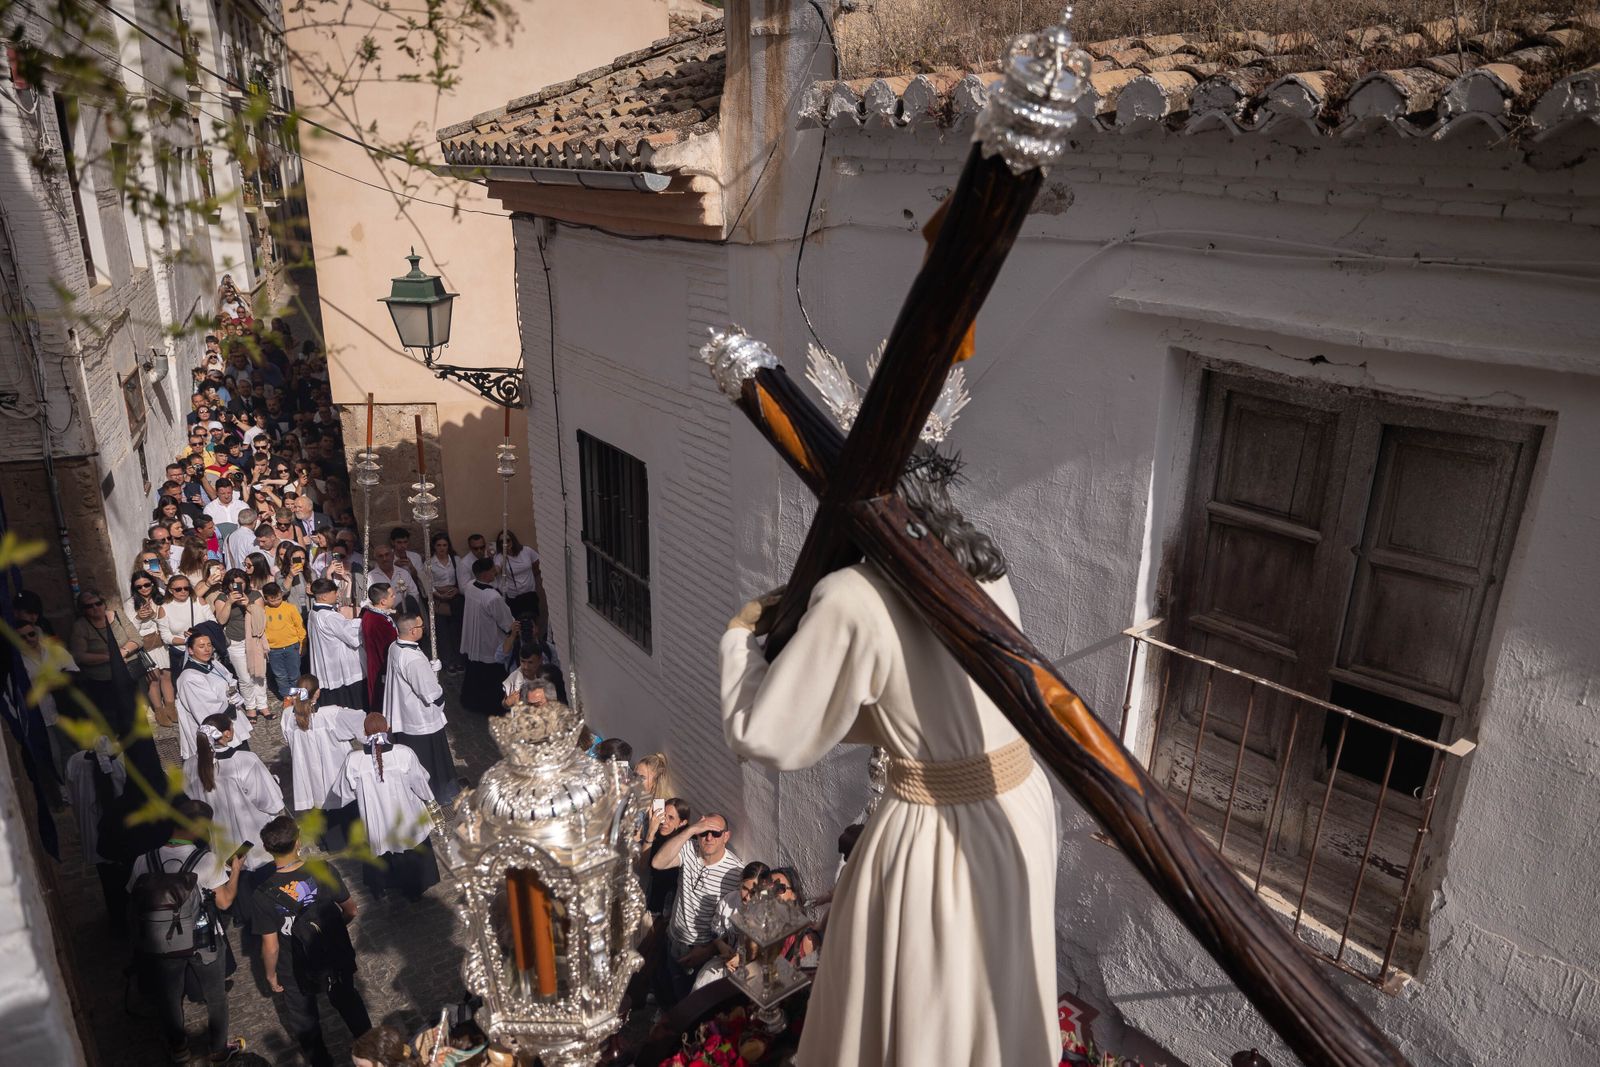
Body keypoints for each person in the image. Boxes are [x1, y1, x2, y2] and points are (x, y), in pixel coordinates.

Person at [717, 471, 1059, 1067]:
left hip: (939, 839)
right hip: (1021, 806)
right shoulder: (986, 567)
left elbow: (766, 735)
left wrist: (740, 639)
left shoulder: (855, 597)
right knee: (994, 996)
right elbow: (919, 700)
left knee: (930, 1012)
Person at [126, 796, 248, 1065]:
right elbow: (225, 901)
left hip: (161, 942)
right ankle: (217, 1048)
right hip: (203, 939)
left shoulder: (143, 861)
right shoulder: (206, 861)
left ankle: (179, 1049)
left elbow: (133, 899)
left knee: (169, 998)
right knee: (215, 995)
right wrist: (235, 871)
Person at [248, 815, 370, 1067]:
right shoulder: (323, 869)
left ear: (267, 849)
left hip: (293, 965)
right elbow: (351, 909)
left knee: (305, 1021)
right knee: (349, 1000)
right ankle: (371, 1052)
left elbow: (270, 945)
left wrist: (270, 975)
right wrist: (336, 929)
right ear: (298, 842)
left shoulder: (262, 895)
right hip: (333, 953)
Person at [333, 713, 438, 900]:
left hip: (376, 820)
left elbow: (343, 792)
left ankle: (381, 888)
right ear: (387, 728)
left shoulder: (354, 761)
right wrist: (428, 799)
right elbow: (421, 781)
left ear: (364, 732)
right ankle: (413, 890)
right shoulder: (403, 754)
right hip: (405, 816)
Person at [649, 812, 743, 1007]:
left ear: (726, 836)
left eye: (716, 833)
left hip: (701, 951)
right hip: (674, 939)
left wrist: (707, 951)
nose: (709, 838)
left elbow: (732, 923)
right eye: (704, 832)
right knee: (672, 993)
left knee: (691, 1005)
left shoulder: (734, 873)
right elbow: (658, 863)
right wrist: (691, 830)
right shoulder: (690, 849)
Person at [183, 714, 283, 872]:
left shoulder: (189, 765)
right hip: (250, 839)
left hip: (218, 841)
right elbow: (269, 802)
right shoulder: (245, 761)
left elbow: (189, 802)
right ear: (227, 733)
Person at [382, 613, 455, 804]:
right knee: (430, 762)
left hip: (405, 715)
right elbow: (429, 693)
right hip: (420, 720)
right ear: (413, 631)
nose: (424, 629)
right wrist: (433, 678)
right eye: (422, 626)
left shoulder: (394, 646)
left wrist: (429, 670)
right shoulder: (413, 659)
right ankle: (434, 795)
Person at [64, 737, 129, 932]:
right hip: (123, 834)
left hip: (95, 834)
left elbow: (71, 793)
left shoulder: (75, 762)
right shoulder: (122, 761)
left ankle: (117, 921)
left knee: (109, 884)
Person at [280, 675, 365, 824]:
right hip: (335, 772)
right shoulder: (331, 714)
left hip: (308, 773)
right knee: (344, 814)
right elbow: (361, 723)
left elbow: (288, 740)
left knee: (319, 810)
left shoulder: (288, 716)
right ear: (318, 692)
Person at [691, 861, 772, 992]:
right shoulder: (729, 901)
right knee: (701, 987)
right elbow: (716, 931)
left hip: (753, 972)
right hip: (724, 964)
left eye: (754, 892)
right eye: (744, 888)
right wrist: (722, 946)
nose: (747, 897)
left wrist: (741, 959)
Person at [174, 633, 254, 762]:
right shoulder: (189, 678)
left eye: (209, 645)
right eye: (201, 646)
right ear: (190, 650)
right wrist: (231, 705)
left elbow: (229, 680)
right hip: (218, 733)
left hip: (232, 725)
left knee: (244, 762)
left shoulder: (214, 664)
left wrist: (234, 693)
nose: (207, 649)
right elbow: (205, 709)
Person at [209, 568, 271, 723]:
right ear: (228, 585)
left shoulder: (255, 595)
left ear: (246, 583)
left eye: (240, 583)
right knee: (244, 678)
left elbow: (261, 618)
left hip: (255, 640)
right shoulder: (222, 598)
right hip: (235, 642)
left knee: (259, 673)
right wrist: (230, 602)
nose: (237, 586)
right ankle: (250, 706)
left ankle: (263, 705)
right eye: (233, 583)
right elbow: (221, 620)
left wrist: (248, 605)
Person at [461, 558, 513, 717]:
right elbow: (506, 621)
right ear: (485, 574)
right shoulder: (492, 597)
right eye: (492, 570)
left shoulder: (470, 586)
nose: (495, 572)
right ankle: (494, 707)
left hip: (474, 637)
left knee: (475, 672)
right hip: (489, 640)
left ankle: (471, 701)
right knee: (493, 676)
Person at [124, 572, 177, 728]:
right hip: (145, 644)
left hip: (161, 640)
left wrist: (154, 615)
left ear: (152, 584)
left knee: (166, 675)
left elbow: (167, 619)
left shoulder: (160, 597)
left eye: (147, 584)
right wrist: (139, 618)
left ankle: (171, 708)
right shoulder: (130, 603)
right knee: (153, 679)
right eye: (139, 586)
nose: (144, 589)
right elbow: (130, 629)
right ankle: (159, 711)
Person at [307, 578, 364, 708]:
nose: (337, 595)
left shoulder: (313, 613)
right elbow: (351, 636)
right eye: (335, 592)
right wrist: (362, 620)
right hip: (339, 667)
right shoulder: (329, 616)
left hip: (326, 662)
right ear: (325, 596)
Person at [157, 573, 215, 675]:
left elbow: (213, 623)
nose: (183, 591)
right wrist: (187, 641)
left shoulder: (199, 601)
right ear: (170, 590)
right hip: (181, 654)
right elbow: (166, 637)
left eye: (186, 588)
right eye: (178, 589)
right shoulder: (164, 608)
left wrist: (198, 635)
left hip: (204, 652)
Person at [423, 533, 462, 673]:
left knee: (456, 630)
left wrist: (456, 590)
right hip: (439, 599)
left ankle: (459, 659)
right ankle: (448, 661)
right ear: (434, 546)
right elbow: (427, 583)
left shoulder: (455, 560)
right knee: (443, 632)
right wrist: (439, 594)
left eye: (444, 545)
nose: (442, 548)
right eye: (439, 545)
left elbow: (461, 578)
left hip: (455, 598)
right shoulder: (429, 563)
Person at [262, 582, 307, 698]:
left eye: (279, 598)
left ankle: (300, 698)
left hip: (292, 646)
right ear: (265, 598)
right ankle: (287, 698)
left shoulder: (290, 608)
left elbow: (300, 627)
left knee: (295, 674)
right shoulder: (263, 610)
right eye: (272, 600)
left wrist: (303, 643)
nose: (277, 602)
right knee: (280, 676)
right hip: (274, 649)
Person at [358, 583, 398, 711]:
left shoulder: (370, 614)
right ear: (383, 601)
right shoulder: (380, 622)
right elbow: (389, 649)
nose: (395, 596)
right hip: (382, 668)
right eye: (392, 595)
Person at [493, 529, 541, 620]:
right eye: (501, 542)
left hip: (530, 594)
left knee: (533, 624)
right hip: (514, 597)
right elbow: (496, 569)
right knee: (519, 625)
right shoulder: (499, 556)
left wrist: (531, 577)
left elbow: (538, 564)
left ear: (513, 540)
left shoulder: (526, 551)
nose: (505, 543)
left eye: (507, 540)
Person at [500, 644, 556, 709]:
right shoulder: (514, 677)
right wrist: (508, 702)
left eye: (530, 662)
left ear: (540, 660)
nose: (526, 667)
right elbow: (505, 704)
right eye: (523, 661)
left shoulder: (550, 675)